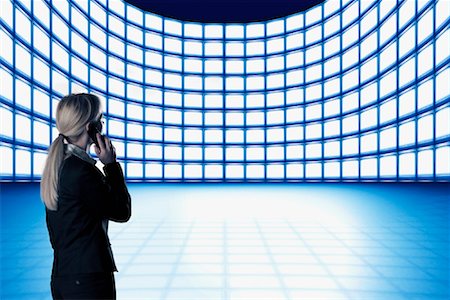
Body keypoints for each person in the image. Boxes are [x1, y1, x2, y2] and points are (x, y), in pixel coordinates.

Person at [40, 93, 132, 299]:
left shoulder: (61, 165)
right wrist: (111, 165)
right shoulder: (81, 171)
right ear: (91, 128)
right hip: (88, 281)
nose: (102, 124)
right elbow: (121, 211)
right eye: (100, 120)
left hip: (65, 277)